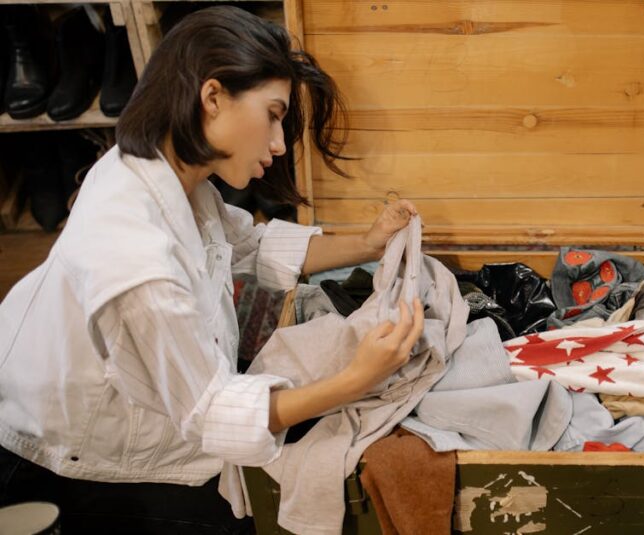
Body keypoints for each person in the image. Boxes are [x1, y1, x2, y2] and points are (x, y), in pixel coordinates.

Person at [0, 6, 424, 533]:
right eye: (273, 114)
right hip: (61, 453)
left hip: (86, 388)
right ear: (213, 96)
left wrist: (368, 243)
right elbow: (213, 414)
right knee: (249, 519)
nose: (277, 143)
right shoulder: (137, 260)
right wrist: (356, 378)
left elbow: (250, 244)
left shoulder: (171, 173)